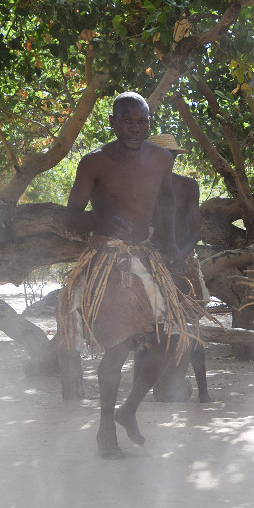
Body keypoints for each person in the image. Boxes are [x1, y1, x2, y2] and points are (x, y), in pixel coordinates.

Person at [58, 92, 193, 459]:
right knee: (116, 350)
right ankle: (105, 431)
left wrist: (174, 245)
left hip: (145, 258)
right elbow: (71, 215)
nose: (135, 128)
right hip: (108, 260)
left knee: (168, 342)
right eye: (128, 121)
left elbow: (166, 202)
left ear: (150, 122)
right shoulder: (94, 163)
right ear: (114, 122)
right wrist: (100, 220)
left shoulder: (161, 159)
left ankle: (128, 410)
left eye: (142, 122)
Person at [141, 133, 211, 403]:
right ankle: (145, 387)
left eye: (170, 157)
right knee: (147, 328)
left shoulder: (186, 186)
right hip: (150, 260)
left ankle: (204, 391)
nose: (165, 161)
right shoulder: (141, 187)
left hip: (183, 261)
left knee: (191, 327)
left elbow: (195, 229)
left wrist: (181, 253)